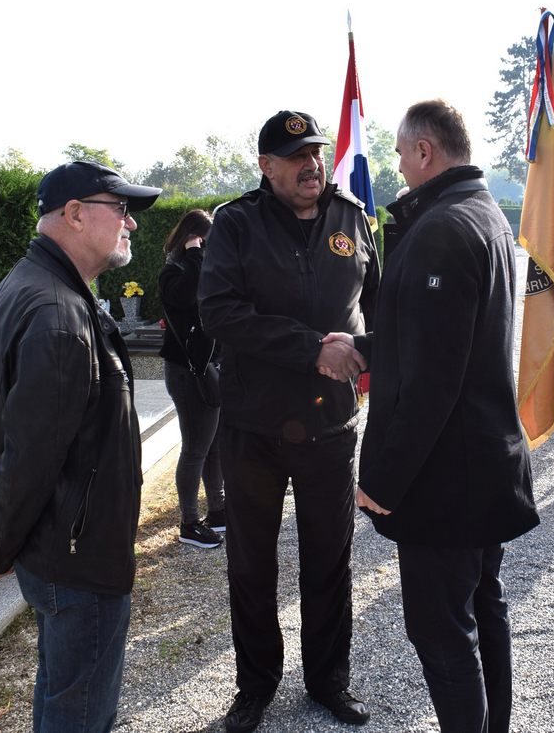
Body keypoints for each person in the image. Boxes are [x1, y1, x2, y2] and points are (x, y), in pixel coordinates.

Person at [344, 99, 540, 733]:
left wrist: (382, 480)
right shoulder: (482, 212)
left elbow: (433, 381)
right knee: (482, 609)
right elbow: (449, 337)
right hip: (480, 459)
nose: (400, 167)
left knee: (442, 631)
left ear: (425, 151)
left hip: (446, 474)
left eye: (403, 154)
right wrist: (366, 347)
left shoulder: (442, 227)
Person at [0, 160, 161, 732]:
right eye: (121, 209)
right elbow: (28, 454)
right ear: (74, 214)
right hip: (77, 555)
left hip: (62, 545)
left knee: (63, 691)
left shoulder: (35, 285)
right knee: (79, 710)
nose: (131, 224)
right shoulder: (56, 314)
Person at [198, 110, 380, 733]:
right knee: (252, 564)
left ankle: (329, 681)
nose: (312, 165)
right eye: (297, 156)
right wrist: (311, 350)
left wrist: (370, 355)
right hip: (254, 427)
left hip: (330, 426)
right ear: (266, 166)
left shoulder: (351, 217)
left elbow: (378, 303)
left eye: (316, 153)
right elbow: (219, 312)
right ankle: (255, 687)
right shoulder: (236, 223)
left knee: (329, 560)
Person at [159, 208, 226, 548]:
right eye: (206, 242)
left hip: (207, 368)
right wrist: (195, 254)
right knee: (195, 449)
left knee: (214, 445)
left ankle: (218, 510)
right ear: (193, 239)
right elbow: (185, 297)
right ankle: (189, 523)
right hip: (187, 372)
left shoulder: (200, 268)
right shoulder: (173, 272)